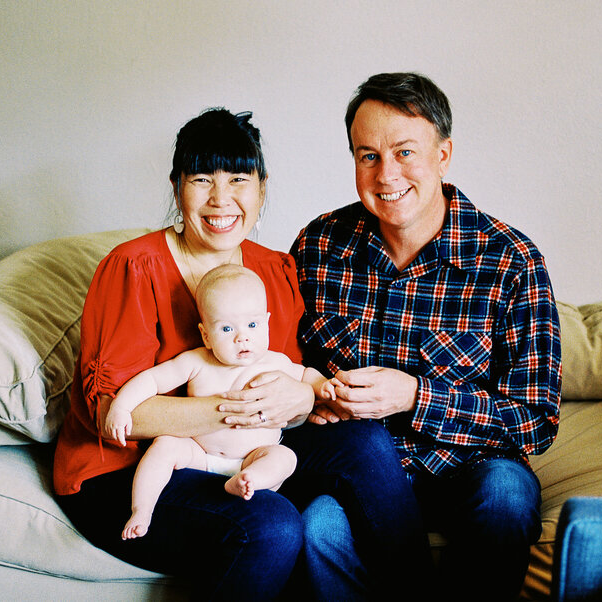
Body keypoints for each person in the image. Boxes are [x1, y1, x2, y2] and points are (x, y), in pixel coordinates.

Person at [52, 107, 430, 601]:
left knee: (364, 444)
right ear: (176, 187)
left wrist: (301, 397)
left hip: (239, 450)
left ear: (262, 188)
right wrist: (235, 409)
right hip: (124, 470)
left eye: (238, 179)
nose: (220, 199)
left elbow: (287, 379)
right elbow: (113, 415)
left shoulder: (273, 269)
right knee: (272, 525)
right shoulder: (134, 268)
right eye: (201, 179)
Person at [292, 72, 562, 601]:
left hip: (471, 469)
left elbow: (537, 421)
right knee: (317, 524)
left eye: (404, 152)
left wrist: (417, 397)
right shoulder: (318, 245)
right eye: (367, 155)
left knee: (506, 496)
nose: (386, 173)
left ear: (444, 155)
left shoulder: (510, 260)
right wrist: (311, 395)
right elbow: (280, 362)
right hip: (355, 472)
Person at [104, 264, 336, 539]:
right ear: (206, 335)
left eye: (252, 325)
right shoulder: (197, 361)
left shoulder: (277, 363)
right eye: (227, 328)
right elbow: (151, 380)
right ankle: (142, 509)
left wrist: (324, 385)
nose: (243, 337)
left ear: (266, 322)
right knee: (164, 446)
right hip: (199, 455)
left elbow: (308, 376)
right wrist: (121, 407)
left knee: (284, 457)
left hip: (253, 456)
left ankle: (249, 481)